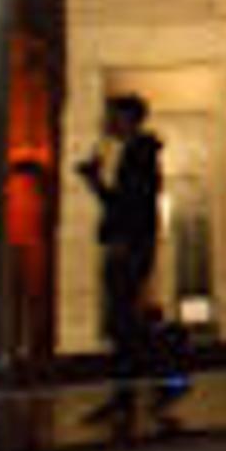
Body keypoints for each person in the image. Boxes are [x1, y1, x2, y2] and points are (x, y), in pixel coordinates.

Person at [73, 90, 169, 429]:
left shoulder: (138, 155)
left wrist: (95, 183)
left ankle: (154, 382)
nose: (106, 123)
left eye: (112, 116)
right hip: (128, 245)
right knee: (124, 323)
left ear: (127, 119)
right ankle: (138, 390)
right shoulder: (136, 154)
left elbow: (130, 206)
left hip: (128, 248)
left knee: (124, 323)